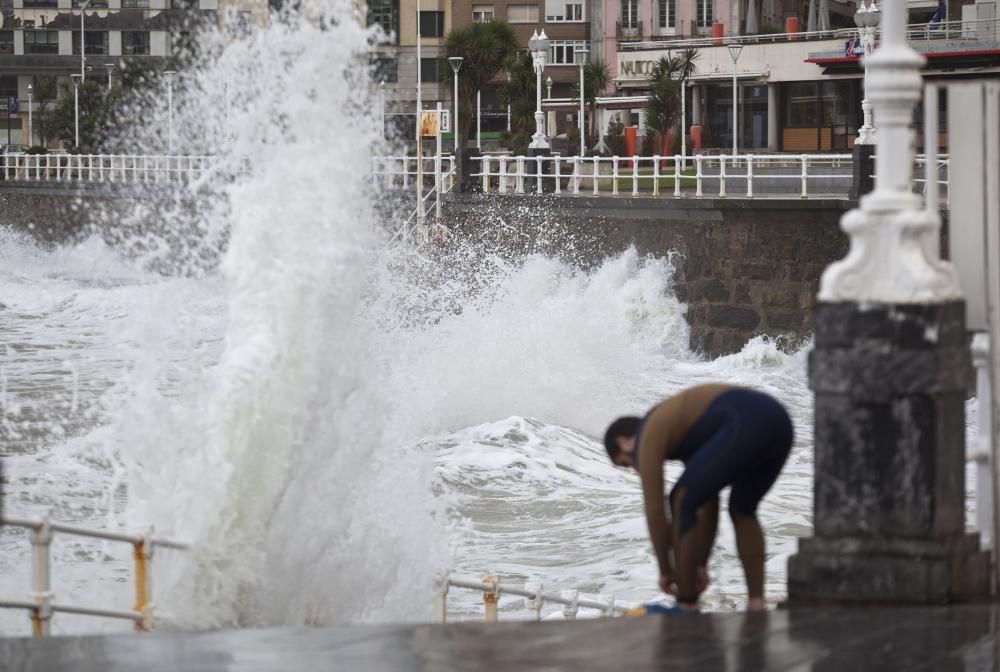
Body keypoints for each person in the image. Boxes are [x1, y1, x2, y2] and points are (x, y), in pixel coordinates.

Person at [604, 384, 793, 611]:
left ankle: (686, 605)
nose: (635, 468)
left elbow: (655, 511)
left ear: (624, 442)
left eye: (627, 462)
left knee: (680, 497)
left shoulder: (649, 432)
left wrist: (666, 571)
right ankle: (756, 603)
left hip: (745, 420)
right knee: (742, 508)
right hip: (779, 420)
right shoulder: (685, 428)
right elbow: (707, 501)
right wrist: (699, 564)